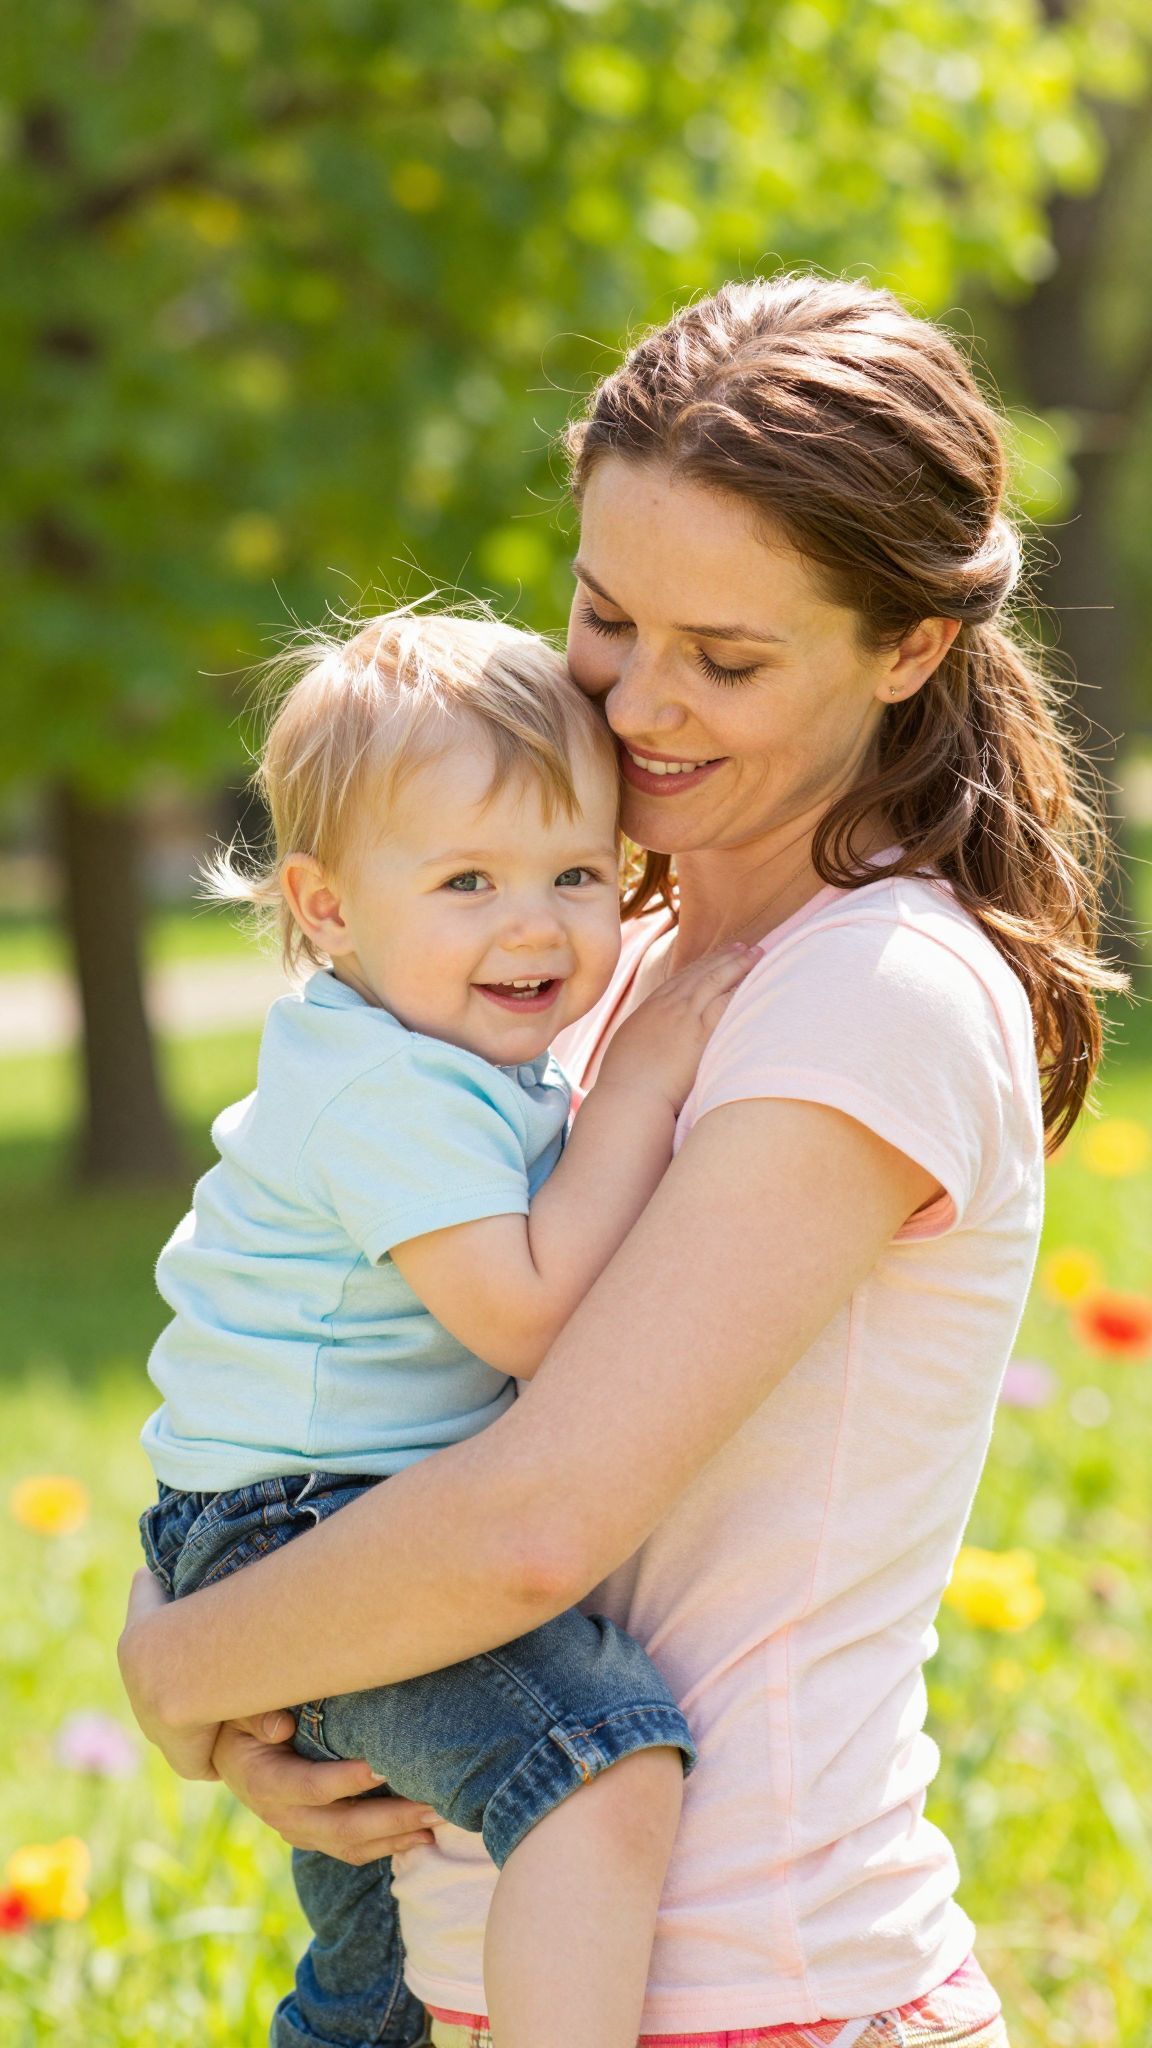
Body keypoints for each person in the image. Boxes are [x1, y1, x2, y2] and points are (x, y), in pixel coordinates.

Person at [121, 274, 1121, 2048]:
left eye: (728, 660)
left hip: (745, 1989)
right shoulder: (590, 954)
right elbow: (323, 1360)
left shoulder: (867, 995)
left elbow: (534, 1524)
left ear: (908, 648)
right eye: (605, 616)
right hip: (483, 1967)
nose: (639, 703)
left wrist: (183, 1666)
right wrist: (274, 1674)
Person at [135, 608, 756, 2048]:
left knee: (382, 1982)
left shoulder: (442, 1047)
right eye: (467, 880)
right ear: (329, 908)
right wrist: (651, 1077)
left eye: (576, 873)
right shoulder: (382, 1090)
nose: (534, 923)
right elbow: (534, 1313)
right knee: (599, 1768)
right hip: (297, 1531)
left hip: (311, 1513)